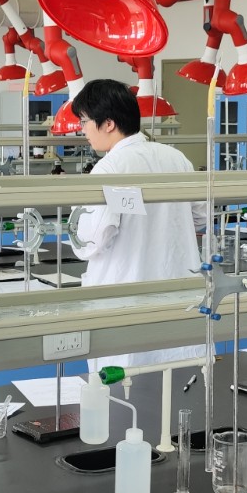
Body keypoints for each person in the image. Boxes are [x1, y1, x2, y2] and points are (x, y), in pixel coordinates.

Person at [70, 79, 208, 371]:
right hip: (176, 294)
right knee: (173, 382)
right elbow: (201, 217)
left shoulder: (110, 167)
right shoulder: (177, 158)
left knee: (123, 388)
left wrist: (76, 220)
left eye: (84, 122)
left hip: (124, 298)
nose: (82, 131)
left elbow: (93, 239)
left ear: (108, 124)